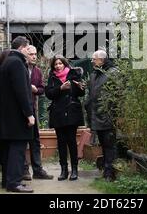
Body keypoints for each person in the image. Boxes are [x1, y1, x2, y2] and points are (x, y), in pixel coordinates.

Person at [0, 36, 36, 193]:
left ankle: (7, 181)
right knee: (17, 150)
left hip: (7, 116)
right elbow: (21, 91)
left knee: (9, 150)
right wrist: (29, 113)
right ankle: (15, 183)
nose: (29, 50)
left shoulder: (7, 62)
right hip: (17, 117)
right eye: (28, 47)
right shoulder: (17, 63)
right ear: (22, 47)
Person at [45, 55, 85, 181]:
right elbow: (49, 94)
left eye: (60, 63)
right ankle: (63, 170)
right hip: (58, 113)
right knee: (61, 142)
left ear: (64, 64)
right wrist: (60, 88)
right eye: (55, 64)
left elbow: (81, 93)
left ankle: (74, 170)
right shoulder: (52, 78)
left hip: (71, 112)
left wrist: (80, 87)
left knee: (71, 141)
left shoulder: (73, 74)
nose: (58, 66)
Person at [85, 50, 118, 182]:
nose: (92, 61)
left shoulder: (114, 73)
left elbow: (119, 95)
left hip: (108, 116)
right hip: (96, 116)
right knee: (103, 145)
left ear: (102, 60)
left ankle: (110, 174)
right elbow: (92, 95)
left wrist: (117, 115)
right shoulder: (94, 75)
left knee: (110, 145)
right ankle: (106, 172)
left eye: (94, 59)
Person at [22, 45, 53, 180]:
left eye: (35, 54)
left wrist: (35, 90)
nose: (34, 56)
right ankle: (24, 170)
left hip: (32, 108)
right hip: (21, 110)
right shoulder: (20, 69)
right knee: (22, 140)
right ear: (25, 55)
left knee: (35, 140)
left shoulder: (38, 71)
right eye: (31, 54)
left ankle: (38, 170)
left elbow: (42, 89)